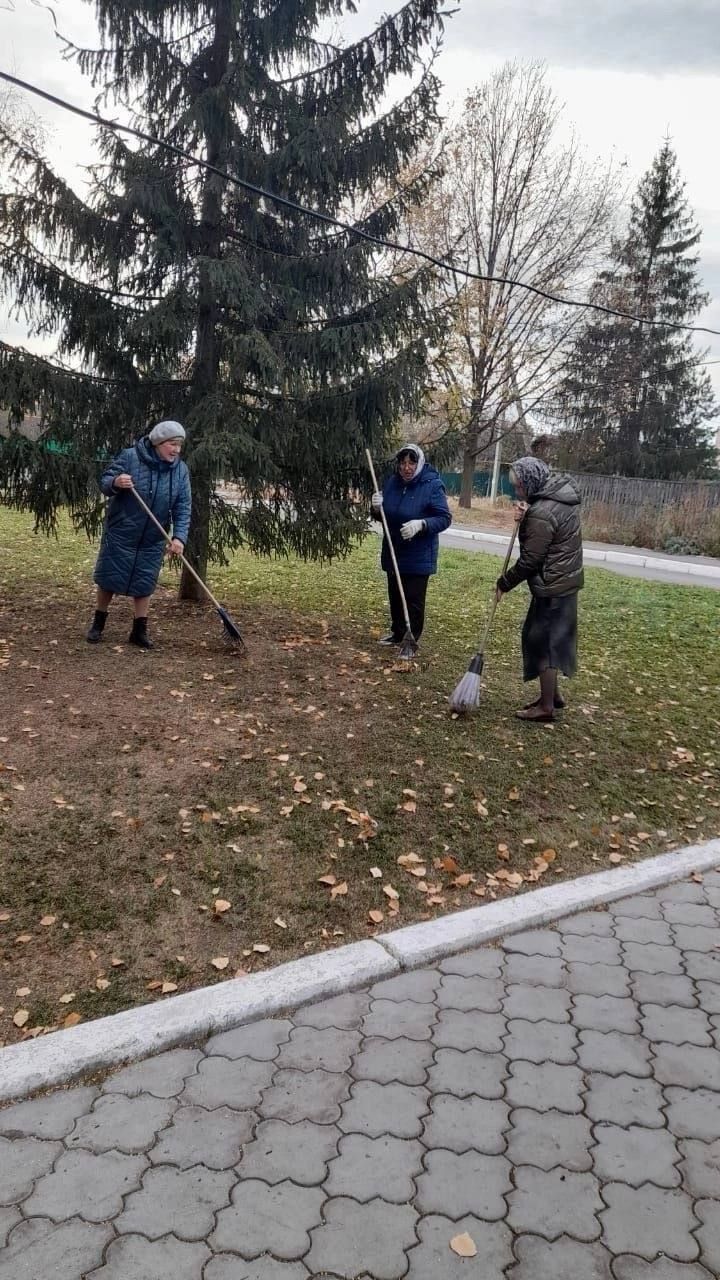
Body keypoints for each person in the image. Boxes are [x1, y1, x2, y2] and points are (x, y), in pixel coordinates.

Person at [86, 420, 191, 649]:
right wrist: (116, 481)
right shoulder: (130, 457)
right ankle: (98, 624)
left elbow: (183, 507)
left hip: (152, 538)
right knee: (108, 579)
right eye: (172, 444)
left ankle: (139, 631)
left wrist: (179, 537)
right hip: (122, 532)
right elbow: (105, 483)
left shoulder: (180, 471)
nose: (176, 450)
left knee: (144, 584)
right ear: (158, 442)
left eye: (179, 445)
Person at [496, 455, 583, 722]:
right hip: (562, 582)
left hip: (552, 586)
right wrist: (527, 515)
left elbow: (531, 559)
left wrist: (504, 583)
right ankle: (552, 697)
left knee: (543, 643)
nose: (517, 490)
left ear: (532, 481)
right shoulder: (555, 500)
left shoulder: (543, 511)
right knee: (547, 641)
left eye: (520, 485)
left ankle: (546, 708)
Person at [371, 443, 451, 644]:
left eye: (411, 463)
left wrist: (421, 524)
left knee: (413, 600)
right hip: (394, 550)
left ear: (420, 464)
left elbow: (444, 518)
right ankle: (398, 634)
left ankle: (411, 640)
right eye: (403, 463)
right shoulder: (392, 483)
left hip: (419, 554)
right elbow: (385, 516)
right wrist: (375, 508)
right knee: (396, 596)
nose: (407, 468)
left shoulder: (432, 485)